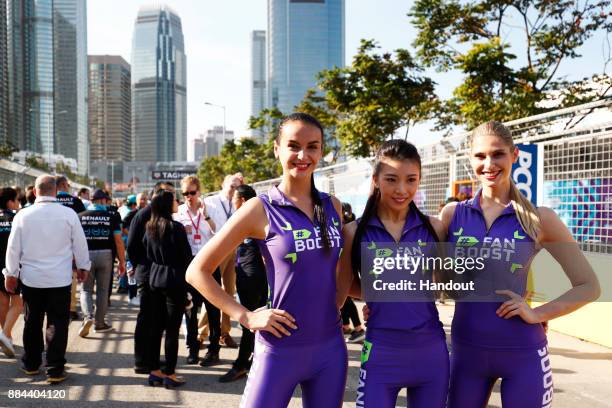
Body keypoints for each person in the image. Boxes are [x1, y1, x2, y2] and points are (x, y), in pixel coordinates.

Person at [187, 113, 346, 408]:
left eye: (312, 146)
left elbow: (337, 272)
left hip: (330, 350)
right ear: (276, 149)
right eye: (293, 146)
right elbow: (197, 271)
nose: (303, 155)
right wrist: (245, 316)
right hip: (279, 349)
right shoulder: (259, 208)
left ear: (322, 151)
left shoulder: (332, 206)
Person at [439, 121, 600, 407]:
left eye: (498, 154)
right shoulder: (453, 215)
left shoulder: (539, 218)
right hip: (466, 353)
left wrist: (538, 313)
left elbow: (589, 286)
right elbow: (431, 275)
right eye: (480, 156)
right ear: (470, 159)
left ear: (514, 156)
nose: (489, 163)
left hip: (523, 353)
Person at [338, 140, 449, 408]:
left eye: (411, 180)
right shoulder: (355, 232)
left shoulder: (435, 228)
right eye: (391, 179)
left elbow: (456, 283)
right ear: (375, 180)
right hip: (380, 354)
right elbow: (339, 293)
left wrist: (528, 307)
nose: (402, 190)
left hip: (431, 354)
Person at [4, 175, 90, 383]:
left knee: (32, 322)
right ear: (56, 192)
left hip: (31, 279)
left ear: (35, 191)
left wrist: (10, 273)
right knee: (58, 324)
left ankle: (32, 364)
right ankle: (55, 369)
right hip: (60, 279)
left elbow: (13, 249)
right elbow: (80, 244)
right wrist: (83, 267)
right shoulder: (69, 214)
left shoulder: (22, 216)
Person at [218, 184, 269, 383]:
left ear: (244, 201)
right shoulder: (243, 221)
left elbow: (267, 254)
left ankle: (241, 365)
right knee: (252, 322)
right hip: (245, 277)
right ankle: (254, 362)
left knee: (249, 322)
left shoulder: (257, 221)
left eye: (234, 200)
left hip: (254, 279)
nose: (232, 204)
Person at [143, 190, 192, 389]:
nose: (177, 202)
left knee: (156, 328)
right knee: (172, 330)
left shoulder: (149, 227)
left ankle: (154, 371)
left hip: (155, 278)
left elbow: (147, 252)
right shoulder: (176, 228)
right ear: (166, 204)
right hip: (174, 279)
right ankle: (170, 373)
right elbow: (186, 256)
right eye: (174, 200)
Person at [127, 182, 174, 374]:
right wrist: (141, 265)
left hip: (155, 273)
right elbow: (131, 246)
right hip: (147, 274)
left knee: (156, 318)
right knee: (146, 317)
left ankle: (150, 359)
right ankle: (141, 360)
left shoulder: (160, 216)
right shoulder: (143, 215)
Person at [173, 175, 219, 366]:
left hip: (209, 261)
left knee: (213, 308)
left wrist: (206, 216)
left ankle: (213, 349)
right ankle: (193, 348)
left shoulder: (210, 208)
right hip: (189, 263)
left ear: (199, 191)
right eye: (185, 194)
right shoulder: (179, 212)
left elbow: (218, 232)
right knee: (190, 309)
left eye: (192, 192)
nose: (189, 197)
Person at [77, 189, 126, 337]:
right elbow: (118, 240)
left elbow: (75, 240)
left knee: (86, 289)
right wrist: (122, 262)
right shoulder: (111, 217)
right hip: (106, 255)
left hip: (86, 256)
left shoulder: (80, 216)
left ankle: (88, 316)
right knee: (103, 291)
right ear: (103, 200)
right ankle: (99, 323)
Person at [203, 173, 242, 348]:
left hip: (233, 250)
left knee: (229, 293)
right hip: (215, 250)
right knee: (211, 291)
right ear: (223, 184)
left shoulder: (239, 204)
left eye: (237, 186)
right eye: (231, 185)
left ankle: (224, 333)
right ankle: (201, 333)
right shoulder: (210, 202)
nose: (234, 189)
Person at [55, 175, 86, 321]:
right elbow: (82, 225)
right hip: (69, 244)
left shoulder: (49, 199)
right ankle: (71, 309)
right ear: (64, 185)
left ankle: (53, 306)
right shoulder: (76, 201)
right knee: (71, 276)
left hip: (49, 244)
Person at [0, 187, 23, 357]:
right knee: (17, 303)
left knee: (2, 303)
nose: (18, 203)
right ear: (10, 202)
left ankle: (6, 338)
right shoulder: (16, 218)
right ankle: (5, 334)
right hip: (12, 266)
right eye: (17, 200)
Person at [338, 202, 365, 343]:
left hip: (345, 270)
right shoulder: (345, 226)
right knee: (345, 301)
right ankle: (347, 325)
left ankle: (359, 328)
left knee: (347, 301)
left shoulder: (350, 229)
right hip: (340, 271)